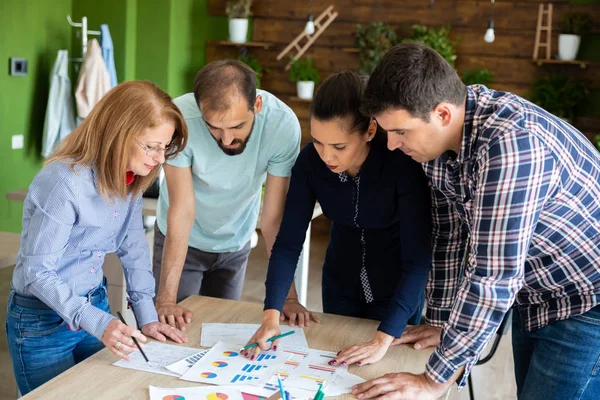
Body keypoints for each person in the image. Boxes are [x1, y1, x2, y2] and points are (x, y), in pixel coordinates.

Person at [353, 42, 600, 400]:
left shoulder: (512, 147)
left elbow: (493, 278)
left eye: (401, 132)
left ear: (441, 114)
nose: (391, 145)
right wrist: (440, 320)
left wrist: (433, 381)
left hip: (589, 297)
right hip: (538, 293)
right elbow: (448, 235)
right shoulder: (437, 146)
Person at [6, 81, 189, 395]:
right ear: (117, 134)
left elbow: (133, 248)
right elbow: (37, 271)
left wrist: (147, 317)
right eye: (151, 146)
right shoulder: (63, 181)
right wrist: (98, 322)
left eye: (164, 147)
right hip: (42, 323)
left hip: (96, 307)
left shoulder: (130, 178)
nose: (160, 159)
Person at [246, 71, 431, 365]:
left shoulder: (402, 165)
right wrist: (271, 316)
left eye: (339, 147)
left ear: (370, 130)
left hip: (397, 291)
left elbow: (418, 260)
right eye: (319, 142)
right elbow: (288, 243)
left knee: (382, 373)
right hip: (339, 285)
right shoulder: (309, 163)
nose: (326, 156)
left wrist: (384, 339)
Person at [153, 60, 317, 330]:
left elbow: (274, 218)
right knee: (173, 329)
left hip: (235, 242)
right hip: (182, 240)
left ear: (258, 106)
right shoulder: (179, 119)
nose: (226, 140)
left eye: (237, 127)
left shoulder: (281, 125)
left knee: (219, 331)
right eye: (214, 128)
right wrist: (166, 299)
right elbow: (182, 211)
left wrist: (288, 297)